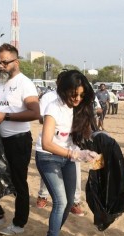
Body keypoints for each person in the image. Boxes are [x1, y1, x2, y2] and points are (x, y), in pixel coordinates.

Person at [35, 70, 99, 236]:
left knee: (70, 201)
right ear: (63, 91)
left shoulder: (80, 108)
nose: (78, 99)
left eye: (81, 95)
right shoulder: (53, 108)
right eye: (74, 95)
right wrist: (73, 155)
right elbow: (46, 142)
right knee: (60, 202)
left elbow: (77, 139)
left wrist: (85, 152)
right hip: (47, 157)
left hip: (68, 157)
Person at [0, 43, 40, 235]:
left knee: (19, 182)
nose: (1, 66)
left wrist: (7, 117)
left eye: (5, 62)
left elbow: (34, 112)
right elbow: (0, 109)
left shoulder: (25, 83)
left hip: (18, 140)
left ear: (16, 62)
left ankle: (19, 224)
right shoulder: (0, 83)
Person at [35, 72, 85, 216]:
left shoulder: (78, 99)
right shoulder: (49, 98)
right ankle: (43, 196)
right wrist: (56, 121)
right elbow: (42, 119)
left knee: (74, 181)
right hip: (51, 149)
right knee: (53, 185)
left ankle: (75, 202)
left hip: (70, 148)